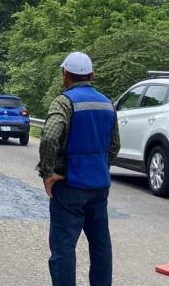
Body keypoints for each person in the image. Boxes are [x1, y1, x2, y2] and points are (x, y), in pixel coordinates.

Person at [38, 52, 119, 286]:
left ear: (65, 74)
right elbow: (115, 146)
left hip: (69, 185)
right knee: (101, 246)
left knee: (63, 248)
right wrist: (97, 166)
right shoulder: (107, 103)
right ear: (91, 75)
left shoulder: (64, 102)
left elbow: (50, 137)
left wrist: (48, 173)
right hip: (99, 187)